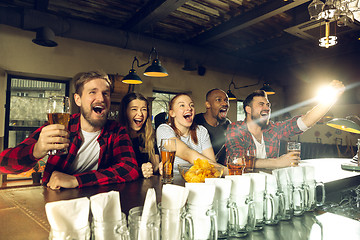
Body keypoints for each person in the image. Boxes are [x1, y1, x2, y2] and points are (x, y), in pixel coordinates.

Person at [0, 70, 140, 189]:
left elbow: (130, 169)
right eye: (92, 92)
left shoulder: (116, 130)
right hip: (55, 202)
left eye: (106, 93)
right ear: (78, 99)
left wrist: (76, 180)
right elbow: (3, 164)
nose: (101, 98)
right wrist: (35, 151)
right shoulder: (61, 126)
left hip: (96, 203)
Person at [225, 80, 345, 168]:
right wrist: (277, 162)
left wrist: (332, 98)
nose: (266, 108)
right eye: (261, 104)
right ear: (248, 109)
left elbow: (306, 121)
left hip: (270, 188)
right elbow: (237, 160)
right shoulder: (235, 128)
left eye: (268, 105)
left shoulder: (273, 129)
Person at [156, 93, 216, 171]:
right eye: (182, 105)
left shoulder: (201, 131)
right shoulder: (163, 129)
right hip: (172, 181)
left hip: (198, 181)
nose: (189, 108)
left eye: (191, 105)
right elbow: (186, 153)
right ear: (172, 113)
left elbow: (212, 165)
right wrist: (226, 171)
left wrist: (219, 170)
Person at [119, 92, 160, 178]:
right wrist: (140, 171)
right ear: (125, 112)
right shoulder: (116, 136)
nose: (140, 114)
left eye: (144, 109)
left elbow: (156, 165)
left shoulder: (150, 135)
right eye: (134, 109)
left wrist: (153, 168)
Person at [194, 88, 231, 165]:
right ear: (208, 104)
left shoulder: (228, 124)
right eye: (218, 100)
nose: (225, 103)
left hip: (220, 170)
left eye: (226, 100)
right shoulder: (195, 121)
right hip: (198, 168)